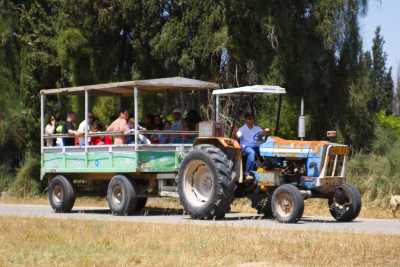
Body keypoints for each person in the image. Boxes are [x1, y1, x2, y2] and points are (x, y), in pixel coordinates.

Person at [236, 113, 270, 180]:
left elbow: (262, 134)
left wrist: (265, 132)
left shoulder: (257, 128)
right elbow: (237, 136)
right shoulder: (242, 129)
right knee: (252, 153)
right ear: (246, 120)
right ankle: (247, 173)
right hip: (246, 147)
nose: (251, 120)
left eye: (252, 119)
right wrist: (235, 131)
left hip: (256, 146)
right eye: (249, 119)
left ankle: (267, 169)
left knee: (267, 151)